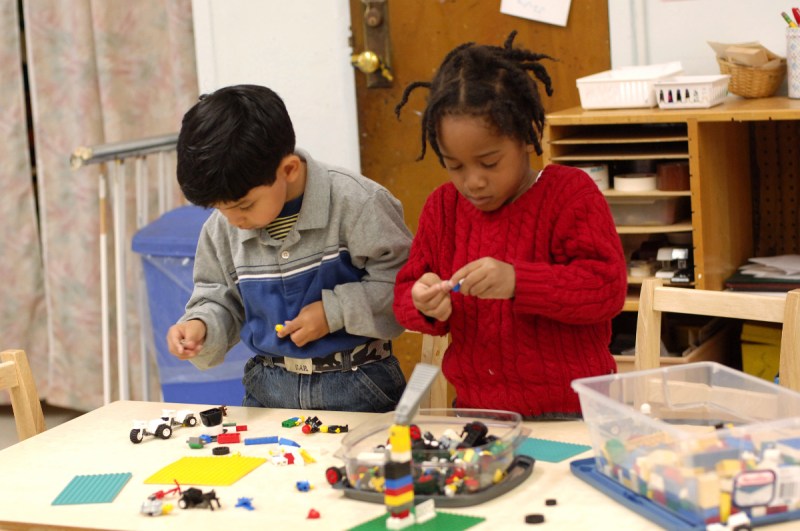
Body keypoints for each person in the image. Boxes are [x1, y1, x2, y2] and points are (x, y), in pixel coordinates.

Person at [392, 32, 627, 419]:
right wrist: (424, 303)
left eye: (489, 163)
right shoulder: (443, 208)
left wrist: (519, 281)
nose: (473, 181)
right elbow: (405, 293)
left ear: (524, 138)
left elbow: (606, 289)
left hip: (575, 414)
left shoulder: (570, 194)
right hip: (479, 416)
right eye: (454, 166)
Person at [167, 84, 412, 412]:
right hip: (267, 388)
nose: (233, 220)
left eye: (244, 205)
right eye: (219, 208)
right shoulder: (223, 226)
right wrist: (200, 325)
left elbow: (404, 282)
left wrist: (333, 312)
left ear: (289, 170)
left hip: (360, 384)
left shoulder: (358, 202)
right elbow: (217, 296)